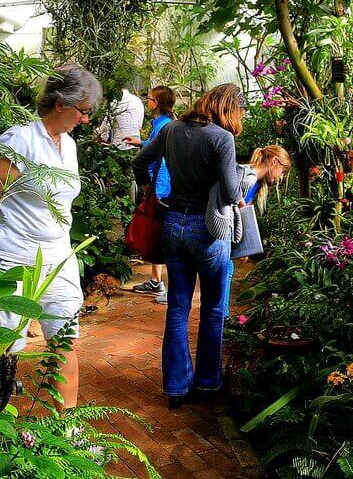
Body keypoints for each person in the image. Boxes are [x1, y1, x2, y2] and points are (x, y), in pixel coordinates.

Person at [0, 64, 103, 409]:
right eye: (83, 111)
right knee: (1, 352)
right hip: (13, 258)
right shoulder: (19, 141)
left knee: (65, 341)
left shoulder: (67, 145)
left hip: (57, 258)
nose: (86, 120)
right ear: (61, 104)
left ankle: (67, 436)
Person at [131, 83, 245, 408]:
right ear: (228, 108)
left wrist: (151, 192)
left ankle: (176, 388)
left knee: (178, 307)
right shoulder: (222, 138)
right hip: (208, 230)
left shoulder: (171, 130)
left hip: (173, 224)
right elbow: (230, 192)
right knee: (212, 309)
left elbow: (140, 162)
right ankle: (207, 385)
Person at [209, 145, 291, 313]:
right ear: (274, 162)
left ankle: (222, 315)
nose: (281, 177)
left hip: (226, 235)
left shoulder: (255, 181)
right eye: (282, 171)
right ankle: (221, 317)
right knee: (223, 272)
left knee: (226, 271)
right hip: (219, 232)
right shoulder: (247, 176)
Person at [124, 86, 176, 304]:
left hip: (161, 186)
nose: (147, 101)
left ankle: (169, 289)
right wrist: (141, 143)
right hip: (161, 184)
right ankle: (156, 281)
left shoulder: (165, 125)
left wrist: (148, 188)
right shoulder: (164, 124)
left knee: (165, 237)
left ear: (157, 102)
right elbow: (156, 147)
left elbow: (154, 157)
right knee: (158, 233)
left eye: (150, 98)